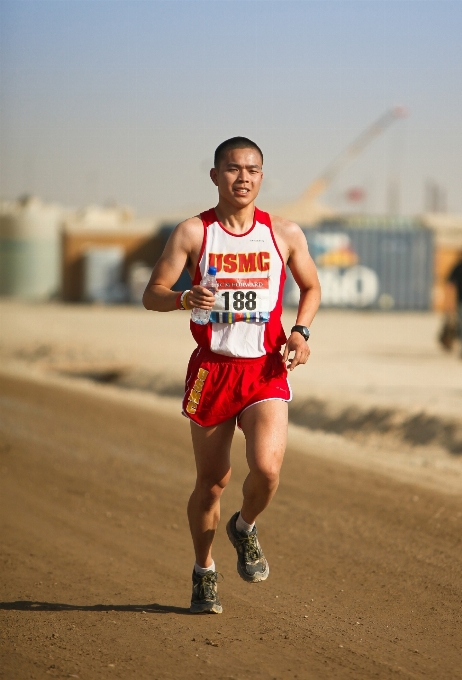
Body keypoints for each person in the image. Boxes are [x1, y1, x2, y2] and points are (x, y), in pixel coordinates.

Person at [143, 137, 321, 614]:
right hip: (213, 372)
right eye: (233, 169)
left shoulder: (283, 233)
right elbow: (152, 292)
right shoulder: (193, 233)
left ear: (262, 176)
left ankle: (243, 527)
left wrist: (300, 334)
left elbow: (311, 286)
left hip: (265, 371)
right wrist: (183, 298)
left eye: (252, 169)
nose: (243, 178)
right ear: (215, 175)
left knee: (267, 470)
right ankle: (204, 570)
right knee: (212, 482)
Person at [446, 254, 462, 355]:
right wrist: (448, 303)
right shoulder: (458, 267)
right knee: (460, 325)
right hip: (460, 301)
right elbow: (450, 284)